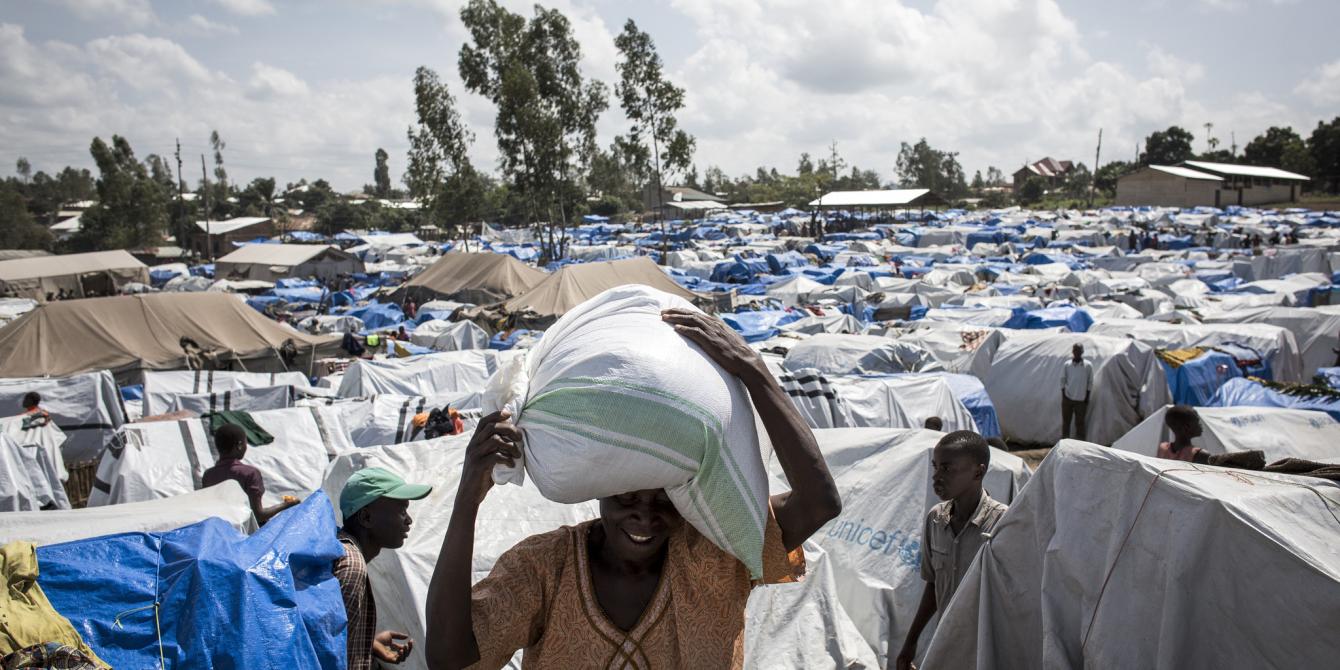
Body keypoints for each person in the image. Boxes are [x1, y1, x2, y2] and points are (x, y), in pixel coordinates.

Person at [424, 308, 842, 670]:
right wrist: (468, 498)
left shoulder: (715, 555)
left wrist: (754, 370)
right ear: (602, 488)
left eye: (664, 499)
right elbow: (448, 659)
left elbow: (820, 503)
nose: (644, 515)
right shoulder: (544, 568)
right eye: (626, 497)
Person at [896, 431, 1007, 670]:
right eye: (935, 467)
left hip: (987, 651)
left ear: (978, 472)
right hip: (947, 644)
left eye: (947, 469)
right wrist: (911, 641)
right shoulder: (936, 519)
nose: (936, 476)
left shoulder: (1002, 524)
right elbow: (934, 585)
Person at [335, 468, 431, 669]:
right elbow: (330, 654)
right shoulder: (351, 567)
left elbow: (336, 638)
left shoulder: (344, 552)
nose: (409, 520)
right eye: (401, 511)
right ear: (366, 518)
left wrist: (366, 645)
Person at [201, 424, 299, 525]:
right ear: (239, 445)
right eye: (245, 443)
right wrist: (286, 505)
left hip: (219, 533)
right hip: (246, 535)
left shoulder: (208, 475)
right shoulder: (249, 473)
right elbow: (258, 515)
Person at [1060, 343, 1093, 440]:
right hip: (1068, 398)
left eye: (1079, 350)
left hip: (1081, 399)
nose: (1077, 352)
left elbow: (1090, 382)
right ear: (1072, 352)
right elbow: (1062, 379)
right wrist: (1064, 396)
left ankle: (1080, 443)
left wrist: (1087, 397)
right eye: (1075, 350)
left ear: (1082, 352)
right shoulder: (1067, 365)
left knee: (1080, 423)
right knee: (1066, 422)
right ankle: (1064, 442)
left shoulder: (1087, 366)